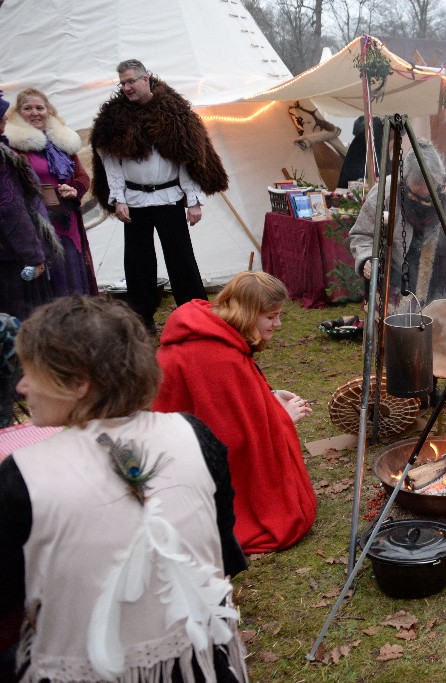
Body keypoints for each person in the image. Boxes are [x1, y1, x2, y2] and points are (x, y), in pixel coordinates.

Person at [0, 296, 248, 682]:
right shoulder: (194, 435)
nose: (21, 386)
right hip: (200, 661)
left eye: (33, 372)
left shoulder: (23, 476)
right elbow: (222, 551)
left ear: (79, 383)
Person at [153, 272, 316, 554]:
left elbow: (230, 404)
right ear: (249, 312)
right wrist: (283, 420)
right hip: (188, 470)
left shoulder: (211, 331)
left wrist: (269, 397)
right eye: (271, 316)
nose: (278, 324)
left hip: (171, 457)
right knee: (287, 518)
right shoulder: (218, 357)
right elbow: (231, 440)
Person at [91, 59, 229, 331]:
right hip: (134, 201)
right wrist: (118, 198)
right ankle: (141, 318)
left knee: (180, 257)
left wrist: (193, 201)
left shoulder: (174, 114)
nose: (127, 87)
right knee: (138, 260)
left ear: (146, 79)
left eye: (131, 80)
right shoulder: (114, 119)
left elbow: (186, 160)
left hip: (169, 199)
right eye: (123, 83)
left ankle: (195, 313)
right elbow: (111, 163)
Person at [349, 140, 446, 305]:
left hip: (439, 282)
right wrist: (367, 259)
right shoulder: (385, 192)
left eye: (430, 184)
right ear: (405, 177)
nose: (425, 190)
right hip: (393, 277)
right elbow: (364, 233)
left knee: (440, 325)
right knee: (394, 327)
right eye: (418, 185)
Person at [5, 88, 97, 297]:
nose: (35, 113)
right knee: (51, 277)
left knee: (72, 270)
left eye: (40, 107)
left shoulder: (61, 143)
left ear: (49, 111)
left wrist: (74, 189)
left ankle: (80, 321)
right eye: (28, 108)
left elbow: (82, 177)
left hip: (67, 220)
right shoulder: (15, 148)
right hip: (37, 222)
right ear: (18, 113)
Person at [0, 89, 59, 322]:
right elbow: (11, 210)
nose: (6, 120)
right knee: (24, 322)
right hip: (10, 258)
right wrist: (34, 255)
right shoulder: (4, 160)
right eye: (2, 116)